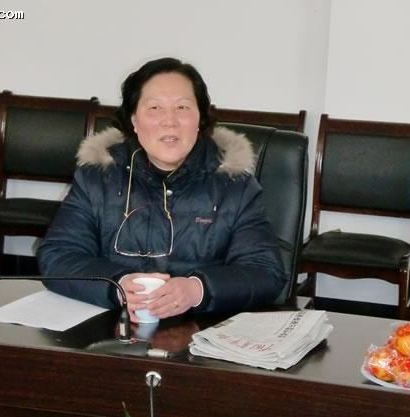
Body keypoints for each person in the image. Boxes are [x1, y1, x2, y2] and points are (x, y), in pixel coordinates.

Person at [37, 57, 285, 322]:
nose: (170, 121)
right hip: (114, 329)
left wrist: (197, 290)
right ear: (134, 120)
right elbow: (58, 255)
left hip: (200, 332)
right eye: (154, 108)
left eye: (182, 107)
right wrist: (117, 285)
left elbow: (265, 271)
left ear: (200, 118)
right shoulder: (99, 176)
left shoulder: (234, 185)